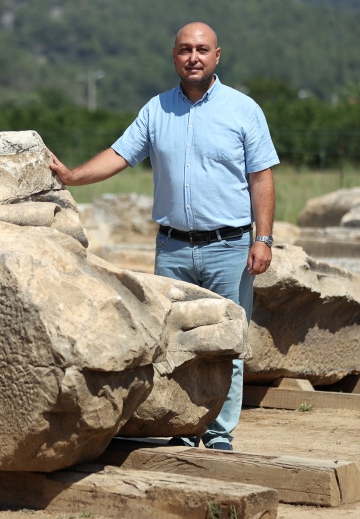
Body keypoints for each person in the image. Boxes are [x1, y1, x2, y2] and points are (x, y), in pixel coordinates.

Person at [49, 21, 278, 451]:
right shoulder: (156, 110)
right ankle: (185, 427)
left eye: (202, 50)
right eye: (185, 49)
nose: (194, 57)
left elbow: (261, 177)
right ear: (174, 55)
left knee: (227, 342)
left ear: (217, 56)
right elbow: (120, 154)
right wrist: (71, 176)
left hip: (229, 247)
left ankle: (219, 435)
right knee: (174, 344)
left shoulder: (244, 110)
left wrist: (263, 239)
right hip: (172, 247)